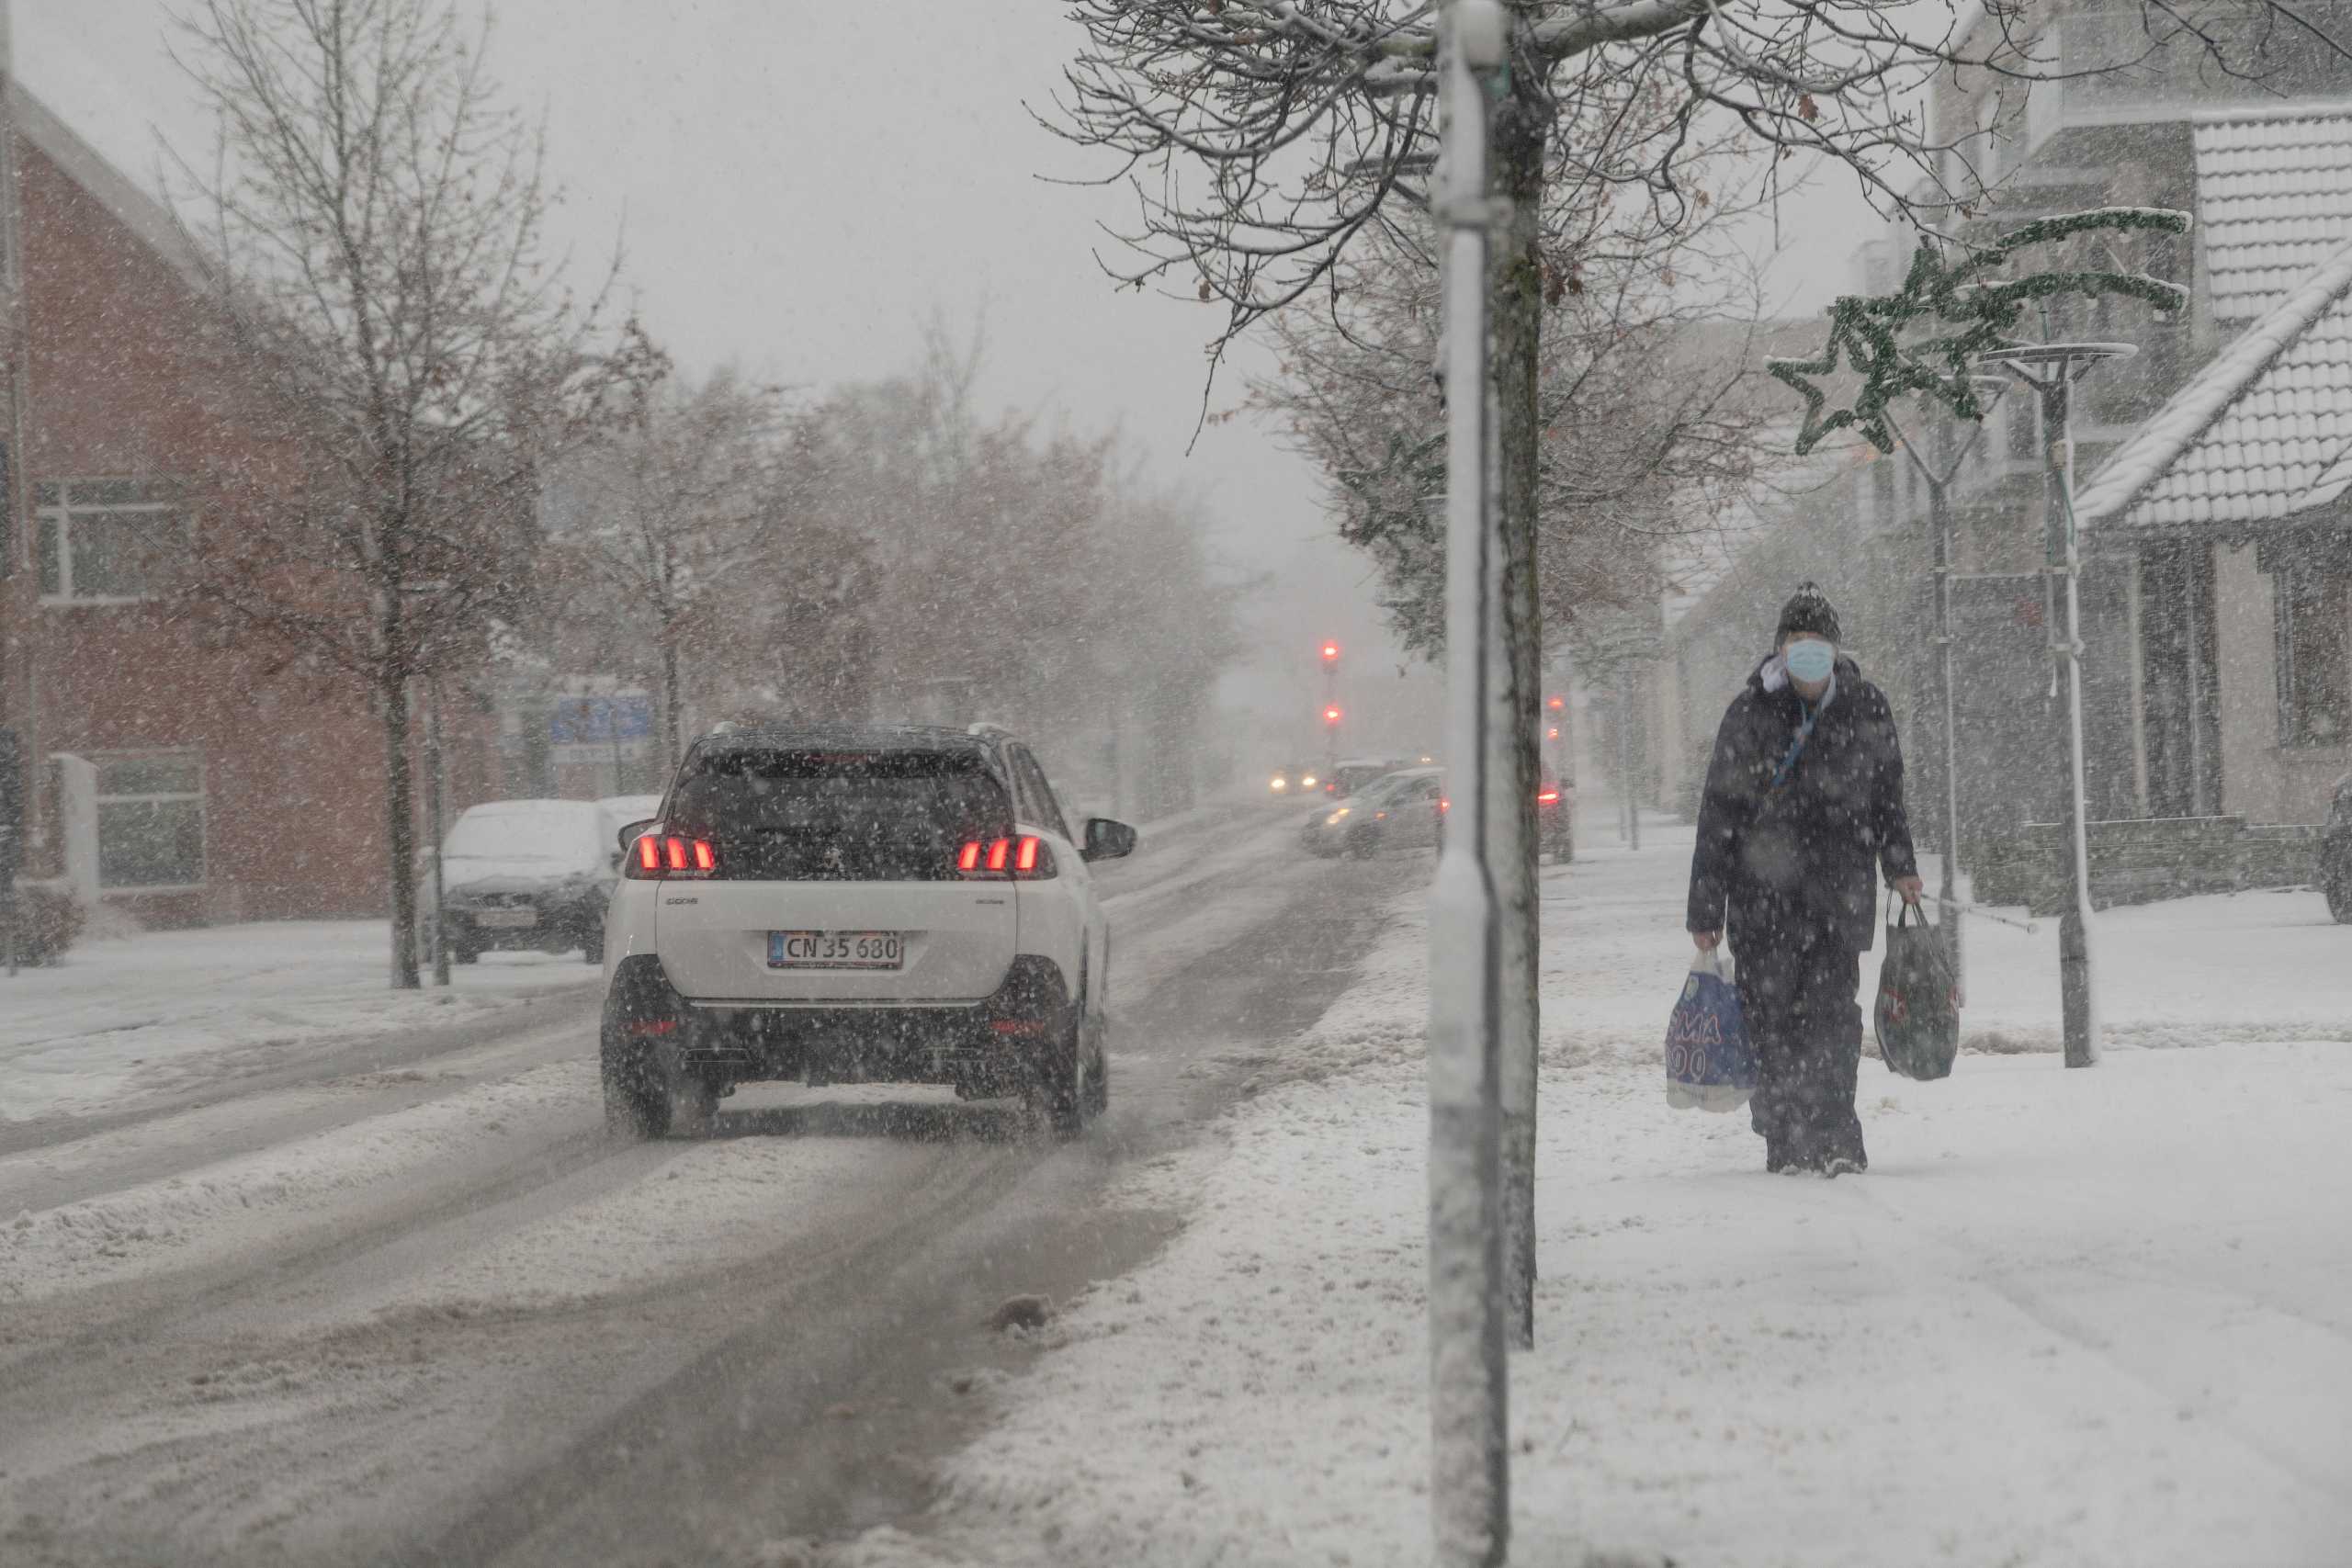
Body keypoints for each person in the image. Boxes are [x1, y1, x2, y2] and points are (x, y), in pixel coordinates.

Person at [1686, 583, 1922, 1177]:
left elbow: (1887, 796)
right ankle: (1784, 1134)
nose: (1808, 651)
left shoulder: (1865, 706)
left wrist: (1902, 866)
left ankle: (1838, 1133)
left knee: (1832, 1017)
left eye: (1817, 641)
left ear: (1834, 647)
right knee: (1769, 1018)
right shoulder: (1749, 712)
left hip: (1838, 895)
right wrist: (1705, 906)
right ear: (1781, 648)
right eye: (1798, 641)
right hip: (1762, 898)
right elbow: (1719, 811)